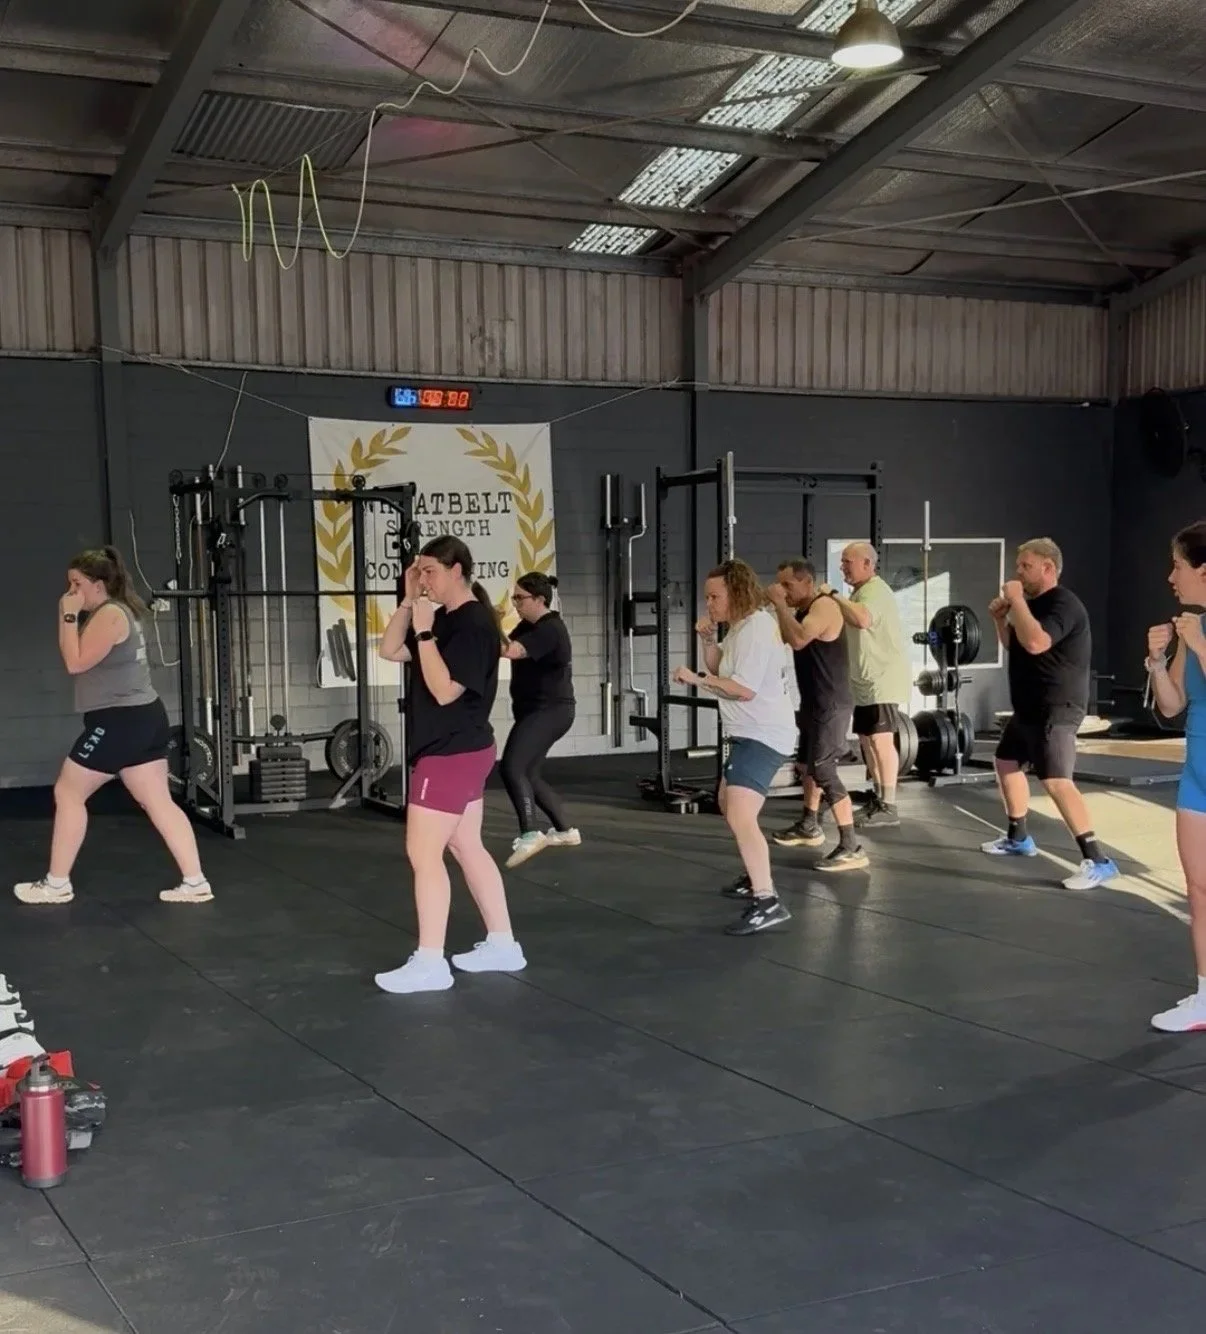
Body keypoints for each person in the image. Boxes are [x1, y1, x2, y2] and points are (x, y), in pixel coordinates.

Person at [14, 546, 212, 906]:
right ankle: (195, 881)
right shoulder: (121, 611)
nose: (71, 592)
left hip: (120, 721)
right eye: (69, 585)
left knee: (68, 793)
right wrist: (73, 612)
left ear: (99, 584)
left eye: (77, 584)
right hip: (143, 718)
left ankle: (57, 884)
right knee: (158, 801)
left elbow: (74, 663)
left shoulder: (109, 615)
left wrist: (67, 614)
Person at [375, 537, 525, 994]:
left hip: (450, 754)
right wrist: (407, 604)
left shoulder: (474, 625)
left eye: (430, 572)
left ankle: (430, 962)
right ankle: (503, 944)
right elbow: (388, 650)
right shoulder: (443, 618)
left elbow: (445, 690)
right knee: (466, 847)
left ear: (456, 570)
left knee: (424, 855)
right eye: (418, 572)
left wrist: (423, 633)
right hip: (459, 751)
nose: (424, 580)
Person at [981, 537, 1118, 889]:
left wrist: (1014, 600)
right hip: (1028, 708)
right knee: (1006, 762)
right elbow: (1017, 644)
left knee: (1056, 780)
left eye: (1025, 566)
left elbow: (1037, 642)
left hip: (1057, 707)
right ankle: (1019, 837)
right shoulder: (1032, 605)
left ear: (1048, 567)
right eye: (1018, 566)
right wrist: (1002, 619)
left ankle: (1098, 860)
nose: (1018, 572)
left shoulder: (1064, 604)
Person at [675, 559, 796, 935]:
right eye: (707, 597)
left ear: (737, 593)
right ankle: (753, 872)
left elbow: (742, 689)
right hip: (748, 733)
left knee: (740, 815)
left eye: (715, 597)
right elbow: (722, 669)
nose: (709, 603)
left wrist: (695, 679)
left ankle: (767, 900)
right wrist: (708, 640)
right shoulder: (742, 627)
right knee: (729, 804)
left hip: (764, 734)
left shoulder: (758, 628)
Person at [767, 559, 868, 871]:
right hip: (814, 702)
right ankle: (809, 825)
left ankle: (851, 845)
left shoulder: (824, 607)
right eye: (780, 585)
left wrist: (778, 605)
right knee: (806, 763)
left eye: (789, 585)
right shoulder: (803, 610)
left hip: (832, 704)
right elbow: (787, 637)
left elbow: (797, 639)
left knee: (824, 769)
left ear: (808, 583)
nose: (785, 591)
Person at [1145, 520, 1206, 1032]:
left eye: (1179, 566)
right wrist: (1158, 660)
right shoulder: (1193, 626)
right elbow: (1171, 705)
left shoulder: (1199, 632)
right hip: (1197, 774)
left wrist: (1199, 644)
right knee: (1198, 887)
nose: (1171, 576)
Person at [499, 572, 580, 868]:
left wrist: (488, 621)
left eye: (520, 598)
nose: (516, 604)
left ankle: (530, 834)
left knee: (511, 766)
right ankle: (565, 831)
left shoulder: (550, 629)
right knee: (529, 774)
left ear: (539, 599)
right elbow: (504, 644)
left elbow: (511, 650)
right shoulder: (528, 625)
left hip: (550, 711)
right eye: (514, 598)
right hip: (539, 711)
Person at [827, 542, 911, 827]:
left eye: (847, 562)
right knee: (867, 741)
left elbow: (862, 619)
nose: (843, 567)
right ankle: (879, 798)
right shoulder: (861, 592)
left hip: (882, 679)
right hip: (864, 681)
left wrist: (833, 594)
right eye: (842, 562)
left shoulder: (875, 590)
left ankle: (889, 805)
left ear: (867, 563)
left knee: (881, 740)